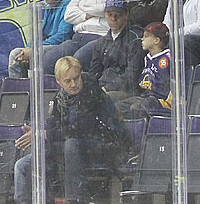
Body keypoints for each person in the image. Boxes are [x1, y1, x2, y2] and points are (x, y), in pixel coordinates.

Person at [14, 56, 131, 204]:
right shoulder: (61, 98)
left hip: (107, 145)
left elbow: (81, 128)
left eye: (76, 78)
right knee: (24, 162)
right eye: (68, 81)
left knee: (70, 144)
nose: (74, 84)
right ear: (59, 82)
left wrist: (46, 134)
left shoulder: (92, 93)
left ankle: (75, 200)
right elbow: (55, 124)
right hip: (77, 148)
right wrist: (37, 132)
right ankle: (29, 200)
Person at [9, 0, 74, 78]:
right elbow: (40, 34)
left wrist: (34, 50)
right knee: (16, 54)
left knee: (33, 54)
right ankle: (20, 92)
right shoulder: (50, 4)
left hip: (62, 46)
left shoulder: (70, 1)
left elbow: (64, 35)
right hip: (45, 45)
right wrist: (28, 49)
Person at [87, 0, 145, 102]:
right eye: (109, 14)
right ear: (105, 15)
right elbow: (94, 72)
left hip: (126, 91)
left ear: (126, 15)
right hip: (102, 87)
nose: (113, 18)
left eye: (118, 15)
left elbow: (132, 75)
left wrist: (107, 88)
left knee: (100, 101)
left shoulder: (136, 38)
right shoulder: (102, 42)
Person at [117, 22, 172, 118]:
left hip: (160, 100)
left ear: (156, 40)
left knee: (137, 107)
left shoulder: (168, 57)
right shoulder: (147, 58)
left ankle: (140, 132)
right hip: (145, 97)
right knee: (117, 107)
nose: (142, 39)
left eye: (146, 36)